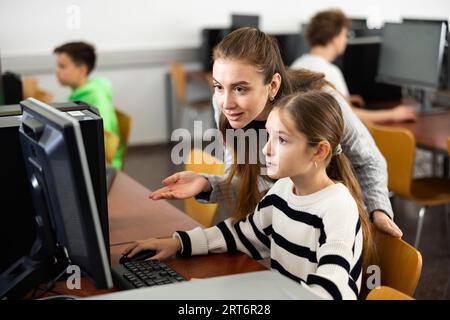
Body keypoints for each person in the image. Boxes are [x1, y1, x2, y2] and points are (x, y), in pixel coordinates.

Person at [150, 27, 402, 238]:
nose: (226, 102)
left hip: (328, 223)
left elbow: (369, 161)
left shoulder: (321, 102)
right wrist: (208, 183)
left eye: (240, 89)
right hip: (280, 223)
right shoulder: (225, 108)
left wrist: (378, 211)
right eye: (218, 87)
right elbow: (246, 178)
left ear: (272, 85)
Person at [124, 90, 374, 299]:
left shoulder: (337, 207)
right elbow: (243, 235)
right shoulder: (283, 190)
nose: (266, 149)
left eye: (282, 140)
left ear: (319, 152)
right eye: (269, 137)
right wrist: (177, 243)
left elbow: (331, 293)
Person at [291, 9, 417, 124]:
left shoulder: (297, 65)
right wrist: (392, 114)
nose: (346, 40)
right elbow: (352, 115)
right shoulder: (330, 72)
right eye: (345, 35)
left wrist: (343, 97)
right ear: (335, 39)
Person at [54, 41, 123, 169]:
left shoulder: (96, 98)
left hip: (105, 166)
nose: (57, 71)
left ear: (82, 70)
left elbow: (104, 140)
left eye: (62, 66)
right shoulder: (80, 94)